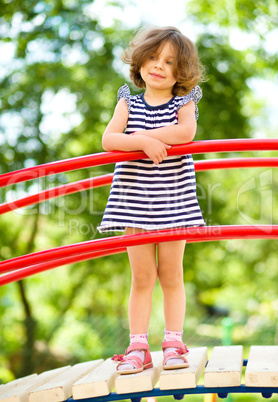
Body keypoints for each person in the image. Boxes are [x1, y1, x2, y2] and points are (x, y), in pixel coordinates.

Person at [97, 26, 205, 374]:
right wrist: (142, 142)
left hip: (174, 199)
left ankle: (173, 342)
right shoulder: (128, 101)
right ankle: (137, 346)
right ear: (141, 61)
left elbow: (185, 132)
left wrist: (141, 136)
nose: (159, 66)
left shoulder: (183, 102)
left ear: (181, 72)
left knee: (171, 273)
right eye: (154, 58)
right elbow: (110, 139)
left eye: (169, 62)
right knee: (142, 277)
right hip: (135, 201)